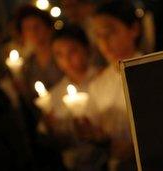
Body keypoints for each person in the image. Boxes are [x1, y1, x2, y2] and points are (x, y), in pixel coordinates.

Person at [88, 1, 143, 170]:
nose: (104, 41)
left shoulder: (152, 73)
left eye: (109, 32)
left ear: (133, 29)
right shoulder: (97, 84)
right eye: (98, 35)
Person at [45, 25, 107, 171]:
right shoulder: (55, 94)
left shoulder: (103, 79)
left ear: (86, 48)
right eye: (59, 54)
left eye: (72, 51)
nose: (66, 59)